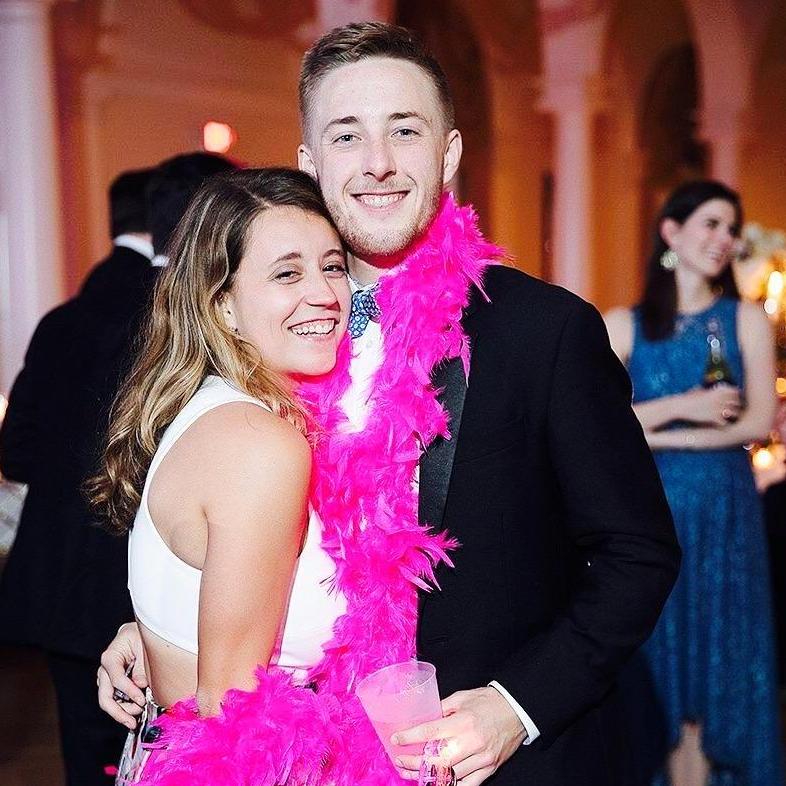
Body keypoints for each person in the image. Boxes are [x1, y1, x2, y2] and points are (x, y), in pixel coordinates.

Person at [98, 23, 681, 786]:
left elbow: (639, 555)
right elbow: (242, 536)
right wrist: (168, 628)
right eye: (347, 135)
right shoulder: (285, 335)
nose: (377, 163)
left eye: (405, 130)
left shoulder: (543, 332)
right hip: (316, 759)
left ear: (448, 153)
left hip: (495, 765)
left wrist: (516, 706)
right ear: (310, 161)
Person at [87, 167, 350, 781]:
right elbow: (232, 721)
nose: (324, 293)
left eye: (333, 266)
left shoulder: (221, 408)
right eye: (287, 273)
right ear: (221, 305)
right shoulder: (259, 444)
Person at [604, 180, 784, 786]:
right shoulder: (622, 326)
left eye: (731, 228)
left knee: (719, 658)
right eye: (711, 223)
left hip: (726, 516)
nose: (724, 239)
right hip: (648, 515)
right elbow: (596, 421)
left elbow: (757, 423)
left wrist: (655, 434)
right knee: (659, 658)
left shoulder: (744, 319)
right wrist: (685, 407)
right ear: (671, 232)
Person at [0, 167, 158, 786]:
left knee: (83, 762)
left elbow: (15, 453)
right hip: (135, 588)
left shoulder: (62, 319)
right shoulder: (165, 314)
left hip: (59, 584)